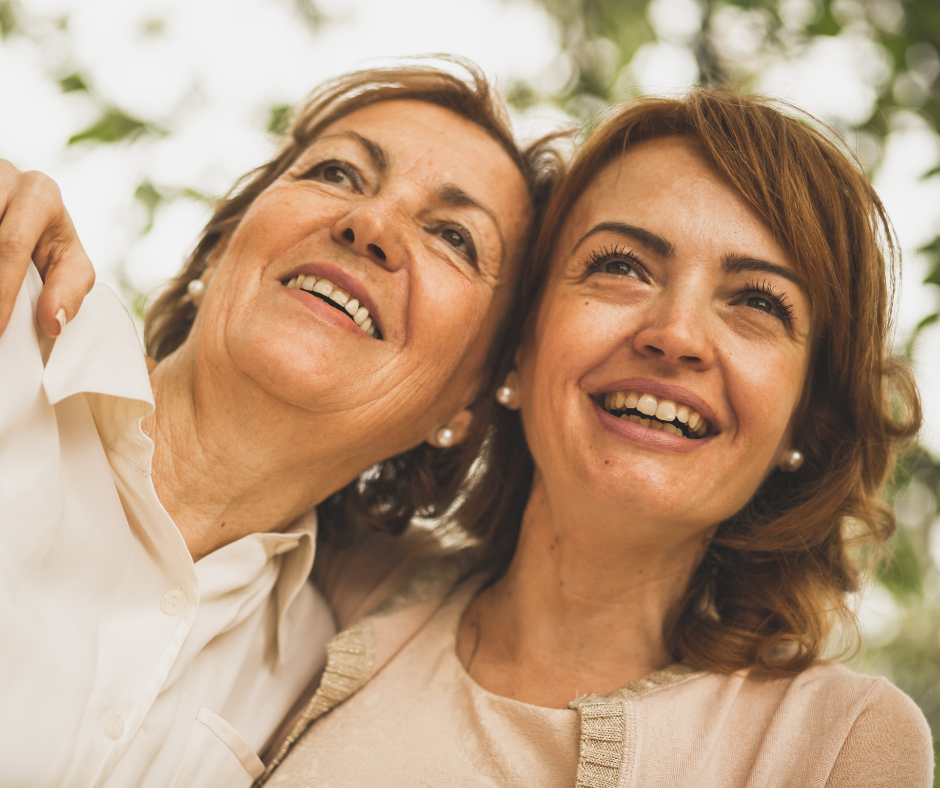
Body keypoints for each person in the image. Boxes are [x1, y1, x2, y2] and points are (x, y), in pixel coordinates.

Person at [253, 91, 934, 787]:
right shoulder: (331, 581)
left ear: (804, 421)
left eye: (758, 302)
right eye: (622, 266)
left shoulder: (840, 745)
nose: (675, 335)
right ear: (519, 348)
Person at [0, 59, 558, 787]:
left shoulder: (322, 687)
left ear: (471, 406)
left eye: (454, 236)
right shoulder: (15, 343)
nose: (370, 225)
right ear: (218, 246)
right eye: (337, 174)